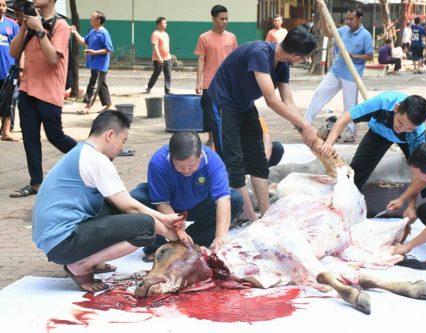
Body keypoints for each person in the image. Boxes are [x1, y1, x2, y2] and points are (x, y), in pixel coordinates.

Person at [32, 111, 184, 292]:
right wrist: (169, 232)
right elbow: (130, 206)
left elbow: (121, 203)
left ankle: (95, 261)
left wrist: (165, 220)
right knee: (145, 225)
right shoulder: (96, 159)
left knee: (115, 207)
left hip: (55, 240)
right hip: (62, 243)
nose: (122, 147)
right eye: (123, 140)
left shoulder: (83, 152)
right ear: (110, 135)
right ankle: (81, 264)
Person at [207, 26, 319, 223]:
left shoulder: (282, 64)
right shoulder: (260, 53)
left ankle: (266, 216)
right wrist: (304, 126)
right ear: (296, 55)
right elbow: (271, 99)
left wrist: (305, 128)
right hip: (223, 104)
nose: (305, 61)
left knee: (258, 160)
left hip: (245, 105)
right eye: (305, 57)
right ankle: (252, 219)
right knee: (235, 163)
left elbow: (288, 101)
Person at [130, 131, 243, 261]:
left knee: (235, 199)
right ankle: (157, 246)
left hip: (199, 204)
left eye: (191, 166)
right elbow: (161, 202)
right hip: (167, 209)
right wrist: (178, 229)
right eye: (180, 166)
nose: (186, 171)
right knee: (135, 199)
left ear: (200, 155)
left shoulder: (212, 160)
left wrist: (220, 237)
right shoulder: (159, 162)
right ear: (171, 157)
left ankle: (191, 240)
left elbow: (223, 199)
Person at [320, 91, 426, 214]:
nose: (401, 129)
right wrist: (329, 143)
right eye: (400, 122)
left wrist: (411, 205)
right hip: (379, 133)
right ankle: (338, 208)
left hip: (407, 141)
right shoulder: (382, 102)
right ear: (396, 108)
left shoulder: (416, 134)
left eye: (409, 128)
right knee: (357, 171)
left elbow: (419, 173)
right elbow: (345, 118)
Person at [9, 0, 77, 198]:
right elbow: (14, 52)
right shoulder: (29, 23)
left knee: (55, 136)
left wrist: (40, 30)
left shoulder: (61, 25)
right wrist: (24, 27)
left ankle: (92, 157)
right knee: (30, 138)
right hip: (27, 89)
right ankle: (36, 182)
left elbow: (53, 58)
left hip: (49, 92)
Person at [304, 6, 373, 143]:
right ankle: (305, 123)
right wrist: (323, 15)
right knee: (319, 94)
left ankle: (350, 133)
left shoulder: (366, 35)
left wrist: (355, 57)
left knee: (350, 106)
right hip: (336, 72)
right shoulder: (343, 30)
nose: (348, 21)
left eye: (351, 19)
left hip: (352, 76)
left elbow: (370, 56)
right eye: (346, 18)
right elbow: (328, 33)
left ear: (359, 18)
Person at [195, 5, 237, 146]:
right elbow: (201, 59)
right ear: (213, 19)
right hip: (209, 83)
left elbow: (235, 60)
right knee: (211, 115)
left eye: (226, 19)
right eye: (221, 19)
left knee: (226, 114)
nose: (224, 21)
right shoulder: (204, 38)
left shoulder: (231, 37)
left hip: (228, 83)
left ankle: (225, 140)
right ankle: (212, 137)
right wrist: (199, 81)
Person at [70, 11, 113, 114]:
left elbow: (108, 49)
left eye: (92, 17)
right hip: (94, 64)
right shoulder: (93, 31)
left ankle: (88, 106)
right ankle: (108, 105)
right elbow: (83, 41)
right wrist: (75, 32)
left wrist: (94, 52)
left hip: (101, 64)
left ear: (98, 20)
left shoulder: (104, 33)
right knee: (101, 84)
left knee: (93, 84)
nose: (90, 19)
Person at [0, 0, 19, 141]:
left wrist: (21, 69)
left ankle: (6, 132)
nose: (1, 8)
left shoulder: (12, 25)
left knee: (7, 102)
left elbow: (19, 48)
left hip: (7, 72)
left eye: (3, 5)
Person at [145, 17, 171, 94]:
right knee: (156, 73)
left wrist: (169, 54)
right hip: (158, 58)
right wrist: (159, 58)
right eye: (164, 23)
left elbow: (166, 46)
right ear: (159, 24)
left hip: (167, 57)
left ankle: (167, 90)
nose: (166, 25)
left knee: (168, 74)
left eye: (166, 23)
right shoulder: (155, 34)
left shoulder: (166, 34)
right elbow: (155, 46)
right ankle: (149, 87)